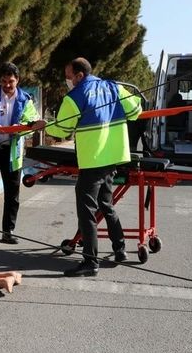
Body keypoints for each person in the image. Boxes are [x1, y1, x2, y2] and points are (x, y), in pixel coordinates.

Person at [42, 57, 142, 277]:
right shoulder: (114, 87)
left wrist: (43, 126)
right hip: (113, 158)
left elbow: (61, 130)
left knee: (87, 211)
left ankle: (90, 262)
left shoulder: (75, 96)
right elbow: (136, 111)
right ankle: (120, 249)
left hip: (93, 160)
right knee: (106, 204)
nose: (67, 81)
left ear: (79, 75)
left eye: (68, 77)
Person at [0, 62, 40, 247]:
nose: (7, 85)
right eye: (3, 81)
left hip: (13, 155)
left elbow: (31, 123)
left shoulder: (26, 100)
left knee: (12, 195)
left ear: (17, 80)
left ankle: (8, 231)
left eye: (11, 81)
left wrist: (24, 129)